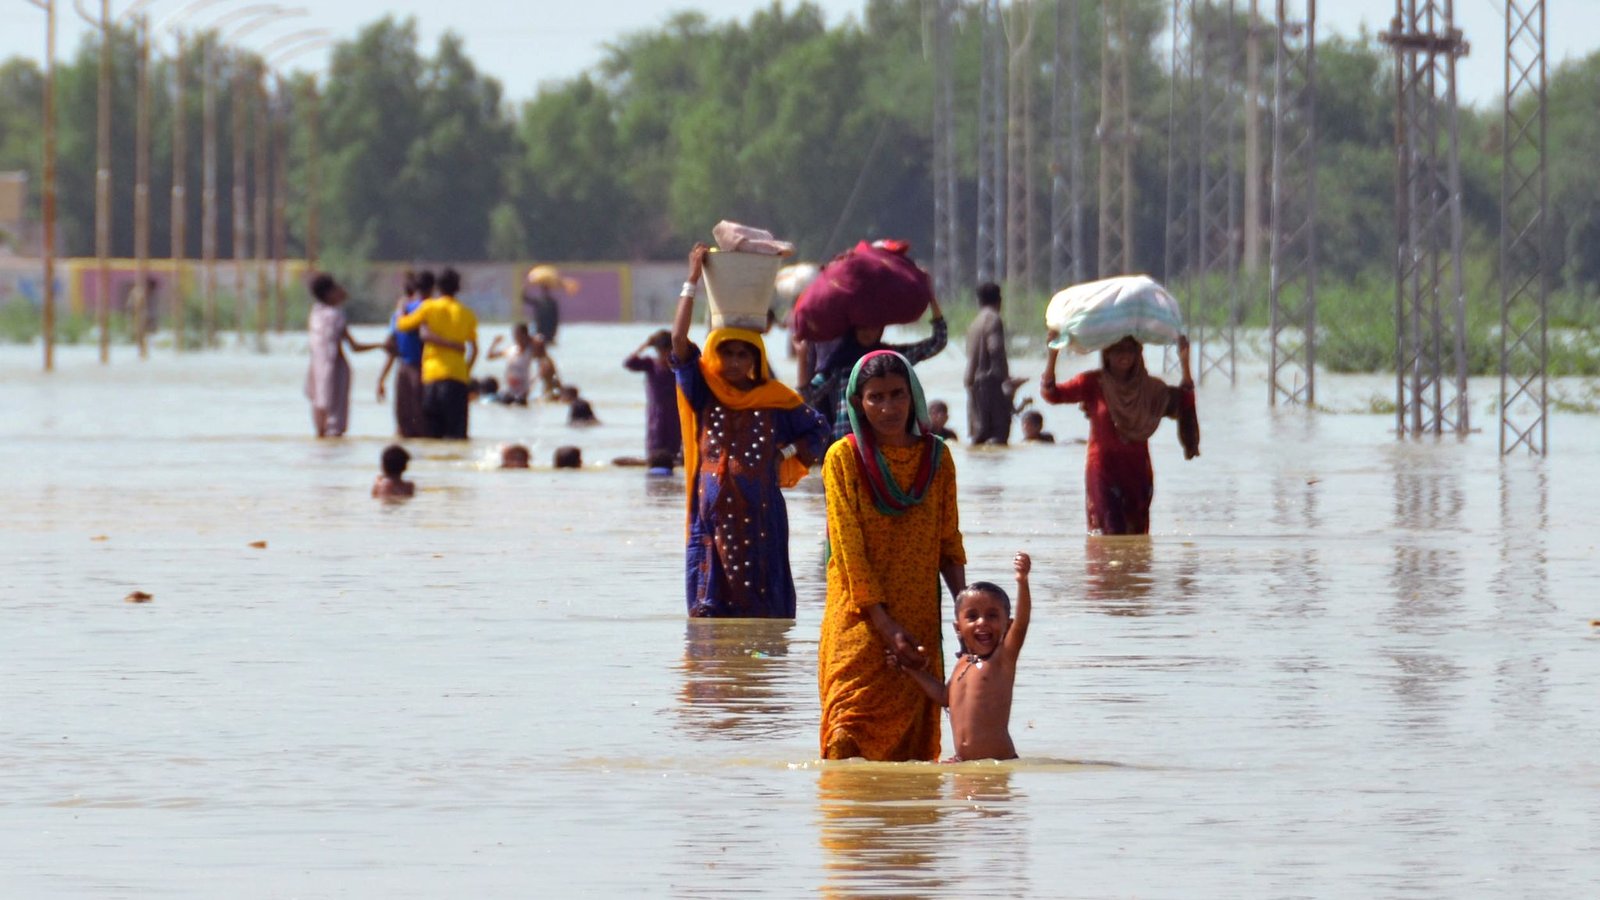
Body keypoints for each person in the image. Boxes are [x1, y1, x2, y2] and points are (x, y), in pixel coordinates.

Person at [818, 350, 966, 761]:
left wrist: (964, 608)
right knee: (846, 736)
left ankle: (908, 827)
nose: (888, 408)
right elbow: (848, 551)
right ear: (859, 405)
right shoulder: (842, 459)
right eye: (876, 397)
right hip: (860, 621)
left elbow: (948, 541)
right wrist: (884, 624)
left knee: (913, 755)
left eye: (897, 395)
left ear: (913, 396)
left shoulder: (937, 458)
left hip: (917, 619)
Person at [672, 243, 831, 618]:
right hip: (711, 521)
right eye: (727, 353)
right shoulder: (705, 391)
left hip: (762, 519)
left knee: (764, 616)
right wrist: (691, 281)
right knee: (710, 622)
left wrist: (783, 455)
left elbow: (818, 433)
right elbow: (679, 344)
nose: (734, 362)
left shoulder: (775, 399)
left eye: (744, 354)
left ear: (756, 359)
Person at [1040, 333, 1197, 535]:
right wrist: (1053, 355)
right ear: (1107, 354)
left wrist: (1184, 362)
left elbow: (1184, 402)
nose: (1124, 356)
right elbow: (1052, 394)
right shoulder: (1093, 383)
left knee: (1136, 541)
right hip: (1103, 471)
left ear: (1138, 354)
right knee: (1107, 537)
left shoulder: (1151, 389)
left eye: (1130, 350)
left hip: (1137, 473)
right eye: (1118, 350)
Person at [890, 552, 1032, 762]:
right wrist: (910, 670)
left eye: (992, 616)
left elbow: (1022, 623)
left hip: (998, 764)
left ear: (1007, 625)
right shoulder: (963, 663)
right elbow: (945, 697)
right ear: (958, 627)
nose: (982, 622)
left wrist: (1022, 581)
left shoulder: (1001, 660)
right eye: (972, 616)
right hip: (963, 763)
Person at [802, 298, 948, 443]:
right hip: (849, 442)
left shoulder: (890, 358)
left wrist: (931, 299)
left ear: (881, 329)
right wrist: (802, 356)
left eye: (874, 327)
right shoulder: (839, 363)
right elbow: (807, 395)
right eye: (863, 327)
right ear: (853, 328)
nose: (869, 332)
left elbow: (938, 341)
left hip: (885, 441)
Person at [394, 268, 479, 439]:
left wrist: (401, 309)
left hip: (432, 376)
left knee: (432, 436)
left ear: (438, 288)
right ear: (458, 288)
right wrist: (466, 371)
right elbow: (474, 349)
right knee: (457, 435)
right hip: (457, 378)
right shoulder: (467, 314)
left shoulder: (428, 308)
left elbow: (402, 325)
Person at [305, 273, 381, 438]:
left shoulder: (315, 314)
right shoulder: (335, 315)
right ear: (328, 293)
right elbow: (354, 347)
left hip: (317, 370)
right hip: (334, 370)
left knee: (320, 422)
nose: (342, 290)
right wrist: (381, 345)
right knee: (335, 424)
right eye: (337, 288)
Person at [376, 270, 431, 437]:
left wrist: (381, 379)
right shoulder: (428, 310)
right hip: (423, 369)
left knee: (403, 422)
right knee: (421, 421)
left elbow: (390, 347)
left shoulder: (399, 314)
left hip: (404, 369)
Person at [964, 281, 1015, 444]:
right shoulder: (993, 319)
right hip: (989, 382)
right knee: (998, 435)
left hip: (972, 381)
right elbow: (995, 348)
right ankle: (995, 470)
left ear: (979, 301)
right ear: (999, 300)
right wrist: (1006, 379)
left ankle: (978, 469)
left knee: (978, 434)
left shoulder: (975, 322)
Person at [624, 329, 683, 466]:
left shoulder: (679, 366)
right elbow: (629, 362)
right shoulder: (651, 364)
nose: (663, 354)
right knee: (654, 449)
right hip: (656, 415)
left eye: (666, 350)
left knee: (674, 453)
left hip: (675, 414)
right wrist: (645, 345)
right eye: (659, 350)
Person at [486, 324, 539, 405]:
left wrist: (530, 338)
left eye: (518, 334)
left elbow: (540, 342)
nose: (516, 337)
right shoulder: (511, 349)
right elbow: (490, 356)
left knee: (520, 404)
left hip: (523, 391)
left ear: (525, 335)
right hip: (509, 390)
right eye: (515, 334)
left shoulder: (530, 351)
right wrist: (495, 343)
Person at [522, 273, 561, 343]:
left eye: (546, 288)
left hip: (549, 329)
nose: (545, 290)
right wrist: (525, 287)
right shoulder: (539, 301)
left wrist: (555, 331)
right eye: (544, 288)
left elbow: (556, 317)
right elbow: (525, 299)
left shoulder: (552, 303)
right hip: (540, 328)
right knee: (540, 343)